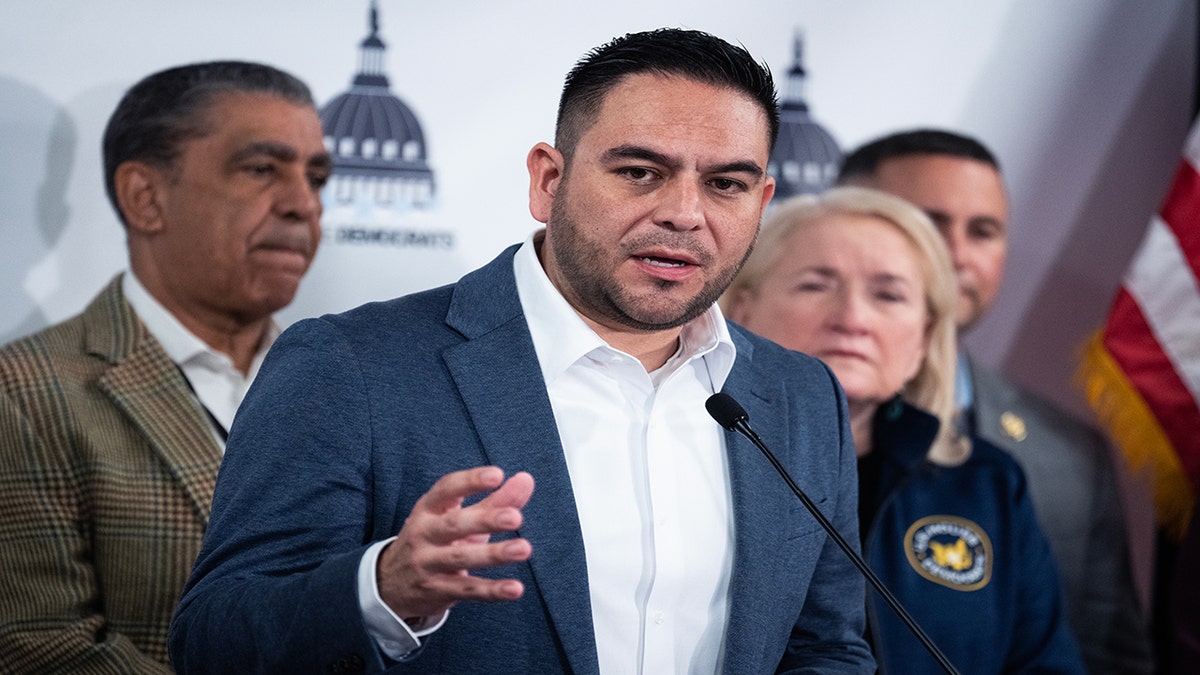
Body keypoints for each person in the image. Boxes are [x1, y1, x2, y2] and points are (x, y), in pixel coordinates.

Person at [168, 28, 876, 674]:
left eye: (726, 184)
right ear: (548, 180)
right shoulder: (350, 365)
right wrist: (379, 590)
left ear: (763, 200)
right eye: (639, 171)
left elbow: (826, 647)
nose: (685, 213)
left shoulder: (800, 394)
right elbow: (212, 641)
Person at [0, 61, 331, 673]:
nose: (302, 205)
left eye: (316, 177)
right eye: (262, 169)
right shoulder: (23, 392)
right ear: (145, 197)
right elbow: (44, 650)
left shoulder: (348, 380)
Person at [723, 186, 1086, 673]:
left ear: (925, 339)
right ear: (741, 311)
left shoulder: (988, 483)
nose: (853, 319)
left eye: (889, 295)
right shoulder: (690, 460)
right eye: (815, 284)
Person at [837, 128, 1153, 674]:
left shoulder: (1070, 457)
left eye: (982, 231)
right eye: (928, 223)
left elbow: (1106, 655)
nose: (956, 254)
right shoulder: (735, 420)